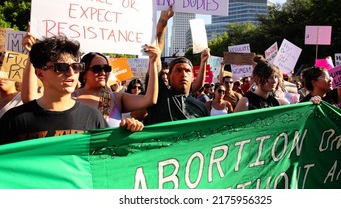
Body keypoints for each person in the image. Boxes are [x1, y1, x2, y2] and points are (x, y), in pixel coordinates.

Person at [0, 36, 142, 145]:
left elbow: (105, 159)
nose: (70, 73)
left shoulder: (93, 117)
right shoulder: (14, 120)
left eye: (76, 67)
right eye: (61, 67)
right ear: (40, 73)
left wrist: (127, 133)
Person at [21, 32, 160, 128]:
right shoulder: (68, 97)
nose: (102, 72)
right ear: (83, 72)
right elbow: (29, 97)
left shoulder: (115, 98)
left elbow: (150, 100)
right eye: (97, 68)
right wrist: (31, 56)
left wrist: (153, 63)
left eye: (106, 68)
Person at [143, 56, 210, 125]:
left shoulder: (201, 108)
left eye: (187, 71)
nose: (183, 74)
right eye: (178, 70)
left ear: (192, 77)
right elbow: (154, 68)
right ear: (169, 76)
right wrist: (155, 54)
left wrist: (203, 61)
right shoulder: (160, 97)